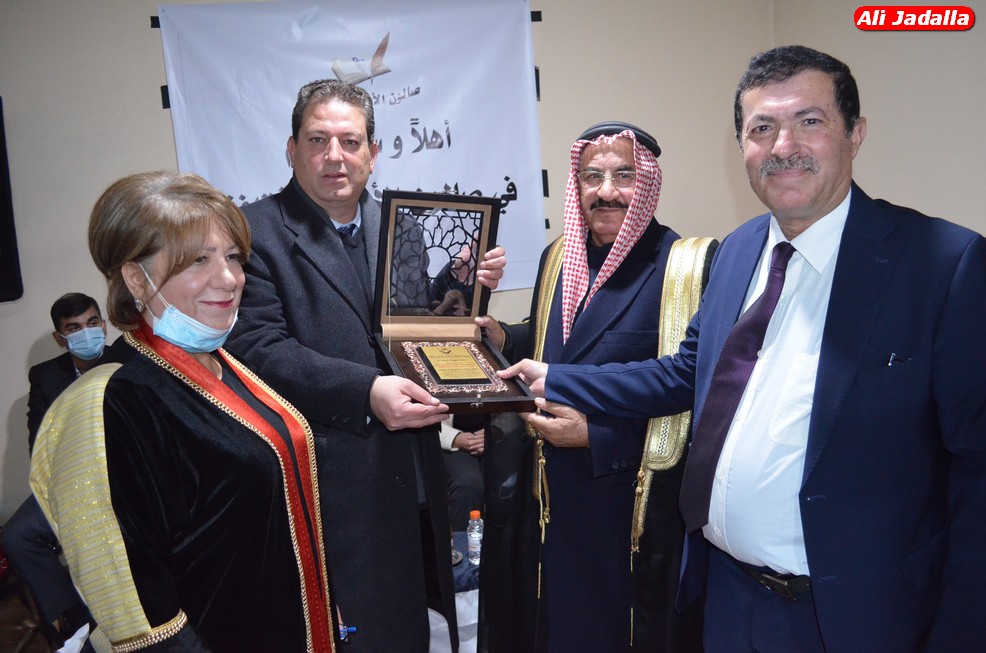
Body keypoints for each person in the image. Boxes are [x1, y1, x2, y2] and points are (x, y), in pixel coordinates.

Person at [502, 46, 986, 652]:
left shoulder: (943, 264)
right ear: (742, 147)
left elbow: (975, 474)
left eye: (809, 120)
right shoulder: (737, 252)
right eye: (762, 128)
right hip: (725, 598)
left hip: (854, 616)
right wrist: (554, 378)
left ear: (855, 133)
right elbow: (684, 372)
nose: (784, 146)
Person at [224, 78, 505, 652]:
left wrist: (457, 286)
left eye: (350, 142)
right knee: (352, 632)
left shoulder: (401, 227)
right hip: (330, 484)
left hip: (416, 474)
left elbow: (406, 323)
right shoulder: (254, 233)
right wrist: (367, 391)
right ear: (292, 149)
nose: (335, 156)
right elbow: (258, 348)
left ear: (373, 153)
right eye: (318, 140)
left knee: (412, 627)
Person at [30, 171, 336, 652]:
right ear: (136, 278)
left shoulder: (223, 361)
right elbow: (137, 608)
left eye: (232, 257)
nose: (229, 278)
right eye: (198, 260)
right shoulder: (111, 401)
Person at [477, 122, 703, 652]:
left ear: (647, 183)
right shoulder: (559, 256)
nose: (606, 191)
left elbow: (690, 391)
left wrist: (597, 437)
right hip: (547, 500)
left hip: (625, 509)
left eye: (623, 176)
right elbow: (554, 342)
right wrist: (503, 338)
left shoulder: (683, 269)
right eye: (592, 176)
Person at [2, 293, 127, 651]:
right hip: (70, 482)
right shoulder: (45, 376)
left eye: (92, 323)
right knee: (17, 535)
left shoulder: (127, 361)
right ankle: (76, 620)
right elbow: (39, 443)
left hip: (124, 478)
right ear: (60, 338)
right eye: (74, 328)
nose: (86, 332)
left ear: (103, 324)